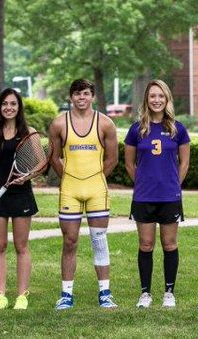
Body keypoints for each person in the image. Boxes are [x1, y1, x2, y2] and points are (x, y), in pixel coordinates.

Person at [47, 79, 120, 309]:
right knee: (69, 242)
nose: (82, 98)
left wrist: (96, 178)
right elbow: (54, 156)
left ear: (93, 96)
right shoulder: (59, 123)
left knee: (99, 240)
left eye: (86, 93)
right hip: (70, 189)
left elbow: (112, 158)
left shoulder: (105, 123)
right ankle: (66, 295)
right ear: (71, 97)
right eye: (77, 94)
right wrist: (66, 177)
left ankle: (105, 293)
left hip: (97, 189)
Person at [124, 80, 190, 308]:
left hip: (170, 197)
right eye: (152, 96)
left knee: (170, 245)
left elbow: (184, 164)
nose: (157, 100)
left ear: (167, 99)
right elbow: (130, 164)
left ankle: (169, 292)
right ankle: (145, 293)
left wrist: (172, 185)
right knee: (146, 245)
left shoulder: (178, 129)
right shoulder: (136, 130)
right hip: (143, 197)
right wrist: (144, 183)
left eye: (161, 96)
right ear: (146, 99)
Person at [0, 88, 40, 310]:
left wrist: (26, 177)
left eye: (13, 104)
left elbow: (40, 164)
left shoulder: (28, 132)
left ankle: (22, 295)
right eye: (5, 104)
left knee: (21, 246)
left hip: (21, 194)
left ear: (19, 107)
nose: (9, 108)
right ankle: (1, 295)